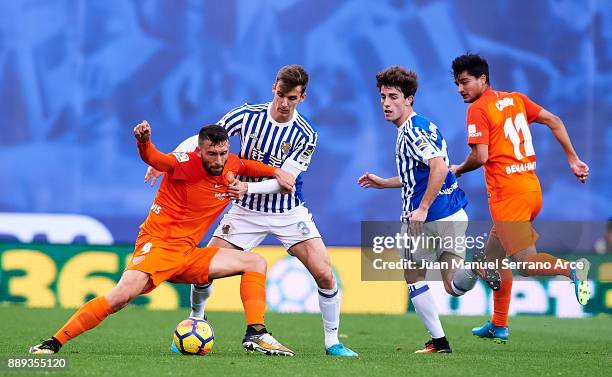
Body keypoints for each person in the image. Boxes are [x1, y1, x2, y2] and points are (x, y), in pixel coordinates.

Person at [29, 122, 295, 356]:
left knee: (255, 263)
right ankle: (54, 342)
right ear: (199, 151)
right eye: (212, 154)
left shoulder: (230, 164)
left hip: (188, 254)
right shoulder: (183, 164)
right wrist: (143, 142)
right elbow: (155, 159)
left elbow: (246, 164)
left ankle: (255, 333)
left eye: (223, 153)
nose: (219, 160)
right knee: (121, 297)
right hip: (158, 245)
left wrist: (275, 172)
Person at [145, 65, 358, 357]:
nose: (284, 103)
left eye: (292, 98)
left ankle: (333, 342)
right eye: (281, 94)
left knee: (324, 273)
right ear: (273, 88)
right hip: (244, 211)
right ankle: (196, 322)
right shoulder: (246, 115)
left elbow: (286, 182)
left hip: (287, 212)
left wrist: (248, 188)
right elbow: (205, 139)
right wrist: (165, 161)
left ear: (302, 98)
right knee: (202, 271)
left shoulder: (306, 134)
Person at [450, 53, 591, 343]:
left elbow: (480, 156)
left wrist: (459, 169)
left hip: (508, 197)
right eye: (457, 84)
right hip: (530, 189)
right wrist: (573, 159)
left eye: (465, 82)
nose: (460, 89)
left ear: (482, 80)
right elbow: (554, 120)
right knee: (493, 260)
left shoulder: (478, 109)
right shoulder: (516, 99)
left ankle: (573, 268)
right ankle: (498, 324)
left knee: (525, 263)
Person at [358, 66, 500, 353]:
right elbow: (429, 171)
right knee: (453, 284)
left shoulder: (410, 131)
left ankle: (439, 342)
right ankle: (476, 266)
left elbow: (438, 166)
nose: (386, 103)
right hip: (454, 213)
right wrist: (385, 182)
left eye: (393, 97)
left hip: (425, 220)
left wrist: (422, 208)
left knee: (413, 276)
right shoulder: (426, 125)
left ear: (409, 99)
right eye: (383, 97)